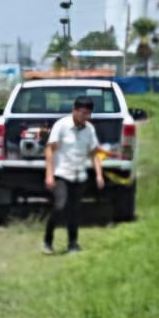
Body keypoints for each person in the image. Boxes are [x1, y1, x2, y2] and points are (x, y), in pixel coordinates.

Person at [43, 94, 104, 255]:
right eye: (83, 113)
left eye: (88, 114)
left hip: (79, 175)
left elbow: (94, 153)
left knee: (75, 211)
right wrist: (49, 175)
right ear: (74, 111)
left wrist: (99, 175)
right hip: (62, 174)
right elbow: (49, 150)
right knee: (60, 206)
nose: (86, 117)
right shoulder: (61, 126)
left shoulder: (89, 129)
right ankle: (48, 240)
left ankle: (73, 243)